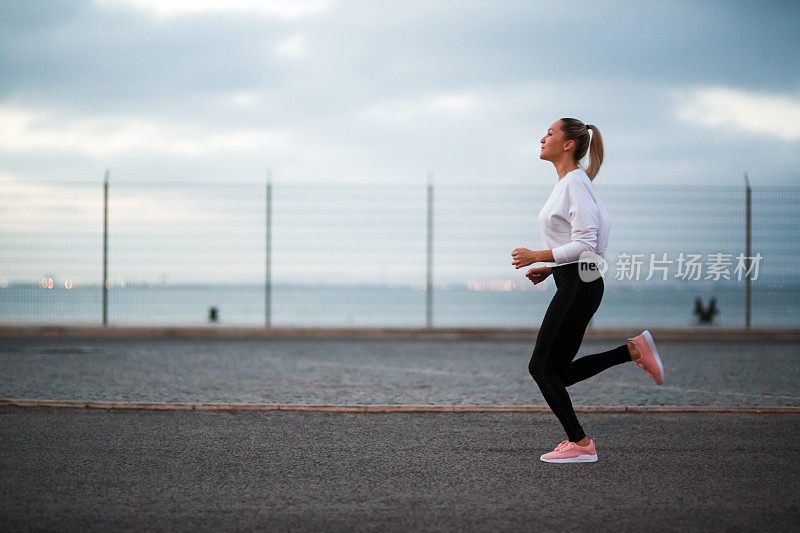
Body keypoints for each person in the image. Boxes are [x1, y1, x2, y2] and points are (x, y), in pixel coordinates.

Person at [510, 118, 664, 464]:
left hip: (582, 282)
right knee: (557, 372)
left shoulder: (576, 183)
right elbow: (584, 247)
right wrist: (552, 269)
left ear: (568, 144)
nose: (542, 137)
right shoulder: (569, 183)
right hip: (578, 279)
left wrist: (539, 255)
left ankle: (580, 444)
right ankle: (632, 351)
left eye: (550, 133)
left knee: (540, 367)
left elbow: (587, 244)